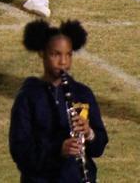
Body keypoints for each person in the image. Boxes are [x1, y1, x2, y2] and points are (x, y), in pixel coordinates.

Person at [10, 20, 108, 182]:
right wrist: (58, 150)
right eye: (56, 54)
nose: (63, 62)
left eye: (68, 54)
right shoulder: (28, 97)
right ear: (42, 53)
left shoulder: (82, 93)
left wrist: (89, 133)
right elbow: (20, 152)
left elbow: (99, 148)